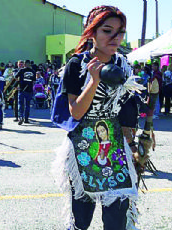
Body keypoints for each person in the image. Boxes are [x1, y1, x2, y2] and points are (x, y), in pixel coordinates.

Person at [51, 6, 139, 230]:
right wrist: (94, 80)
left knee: (117, 217)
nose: (115, 38)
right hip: (84, 143)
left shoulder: (123, 64)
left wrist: (134, 142)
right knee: (81, 218)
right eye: (107, 31)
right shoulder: (76, 65)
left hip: (116, 146)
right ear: (92, 33)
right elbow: (76, 112)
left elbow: (127, 111)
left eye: (120, 32)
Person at [16, 59, 36, 125]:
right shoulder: (33, 71)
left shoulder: (21, 70)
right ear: (29, 64)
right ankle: (26, 119)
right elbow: (34, 81)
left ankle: (21, 117)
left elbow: (15, 77)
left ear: (24, 64)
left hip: (22, 89)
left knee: (21, 104)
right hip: (29, 90)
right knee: (27, 105)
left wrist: (19, 83)